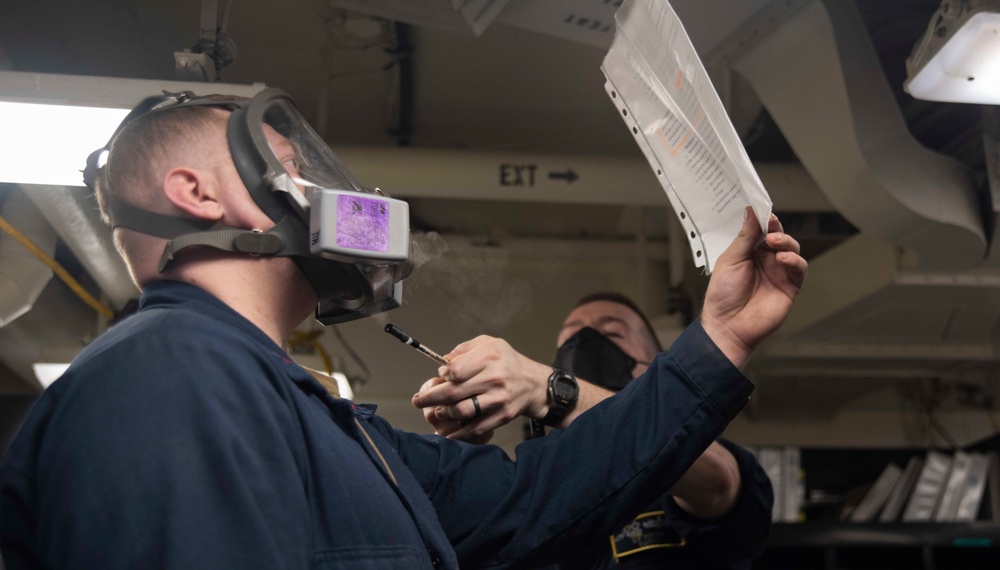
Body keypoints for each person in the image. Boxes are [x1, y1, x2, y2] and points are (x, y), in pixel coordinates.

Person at [0, 88, 806, 569]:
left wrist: (721, 341)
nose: (325, 191)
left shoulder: (318, 420)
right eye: (295, 165)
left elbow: (534, 498)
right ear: (199, 196)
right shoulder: (168, 379)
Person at [416, 291, 773, 568]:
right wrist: (463, 458)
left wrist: (551, 390)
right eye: (572, 335)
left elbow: (719, 481)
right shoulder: (542, 479)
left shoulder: (685, 456)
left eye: (611, 331)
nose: (586, 340)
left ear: (655, 366)